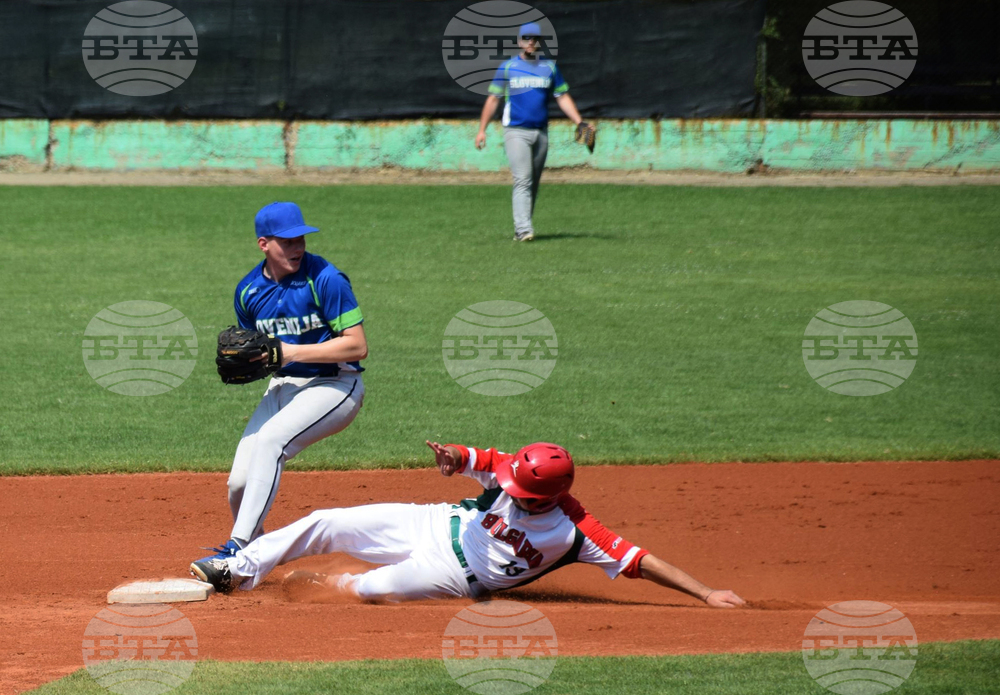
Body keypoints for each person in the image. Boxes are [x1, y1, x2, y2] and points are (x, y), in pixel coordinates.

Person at [190, 440, 745, 609]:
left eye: (526, 497)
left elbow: (642, 562)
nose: (513, 496)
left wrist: (706, 593)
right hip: (432, 524)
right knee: (326, 521)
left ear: (555, 496)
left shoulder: (579, 533)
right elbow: (476, 457)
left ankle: (326, 584)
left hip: (456, 578)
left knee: (372, 589)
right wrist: (454, 457)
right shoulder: (510, 471)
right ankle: (239, 569)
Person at [200, 201, 368, 562]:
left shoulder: (325, 279)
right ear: (264, 244)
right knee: (239, 484)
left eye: (301, 239)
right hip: (281, 388)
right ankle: (260, 553)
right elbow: (261, 354)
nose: (297, 248)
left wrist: (288, 352)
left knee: (272, 442)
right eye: (287, 241)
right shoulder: (247, 292)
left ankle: (237, 551)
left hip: (336, 384)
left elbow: (357, 345)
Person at [475, 22, 587, 242]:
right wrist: (482, 130)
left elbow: (562, 97)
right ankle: (523, 229)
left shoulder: (549, 68)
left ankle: (523, 227)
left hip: (541, 132)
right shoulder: (507, 67)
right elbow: (493, 99)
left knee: (532, 182)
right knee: (523, 180)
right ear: (519, 41)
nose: (531, 43)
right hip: (516, 131)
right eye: (526, 38)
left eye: (535, 39)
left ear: (539, 43)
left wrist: (579, 122)